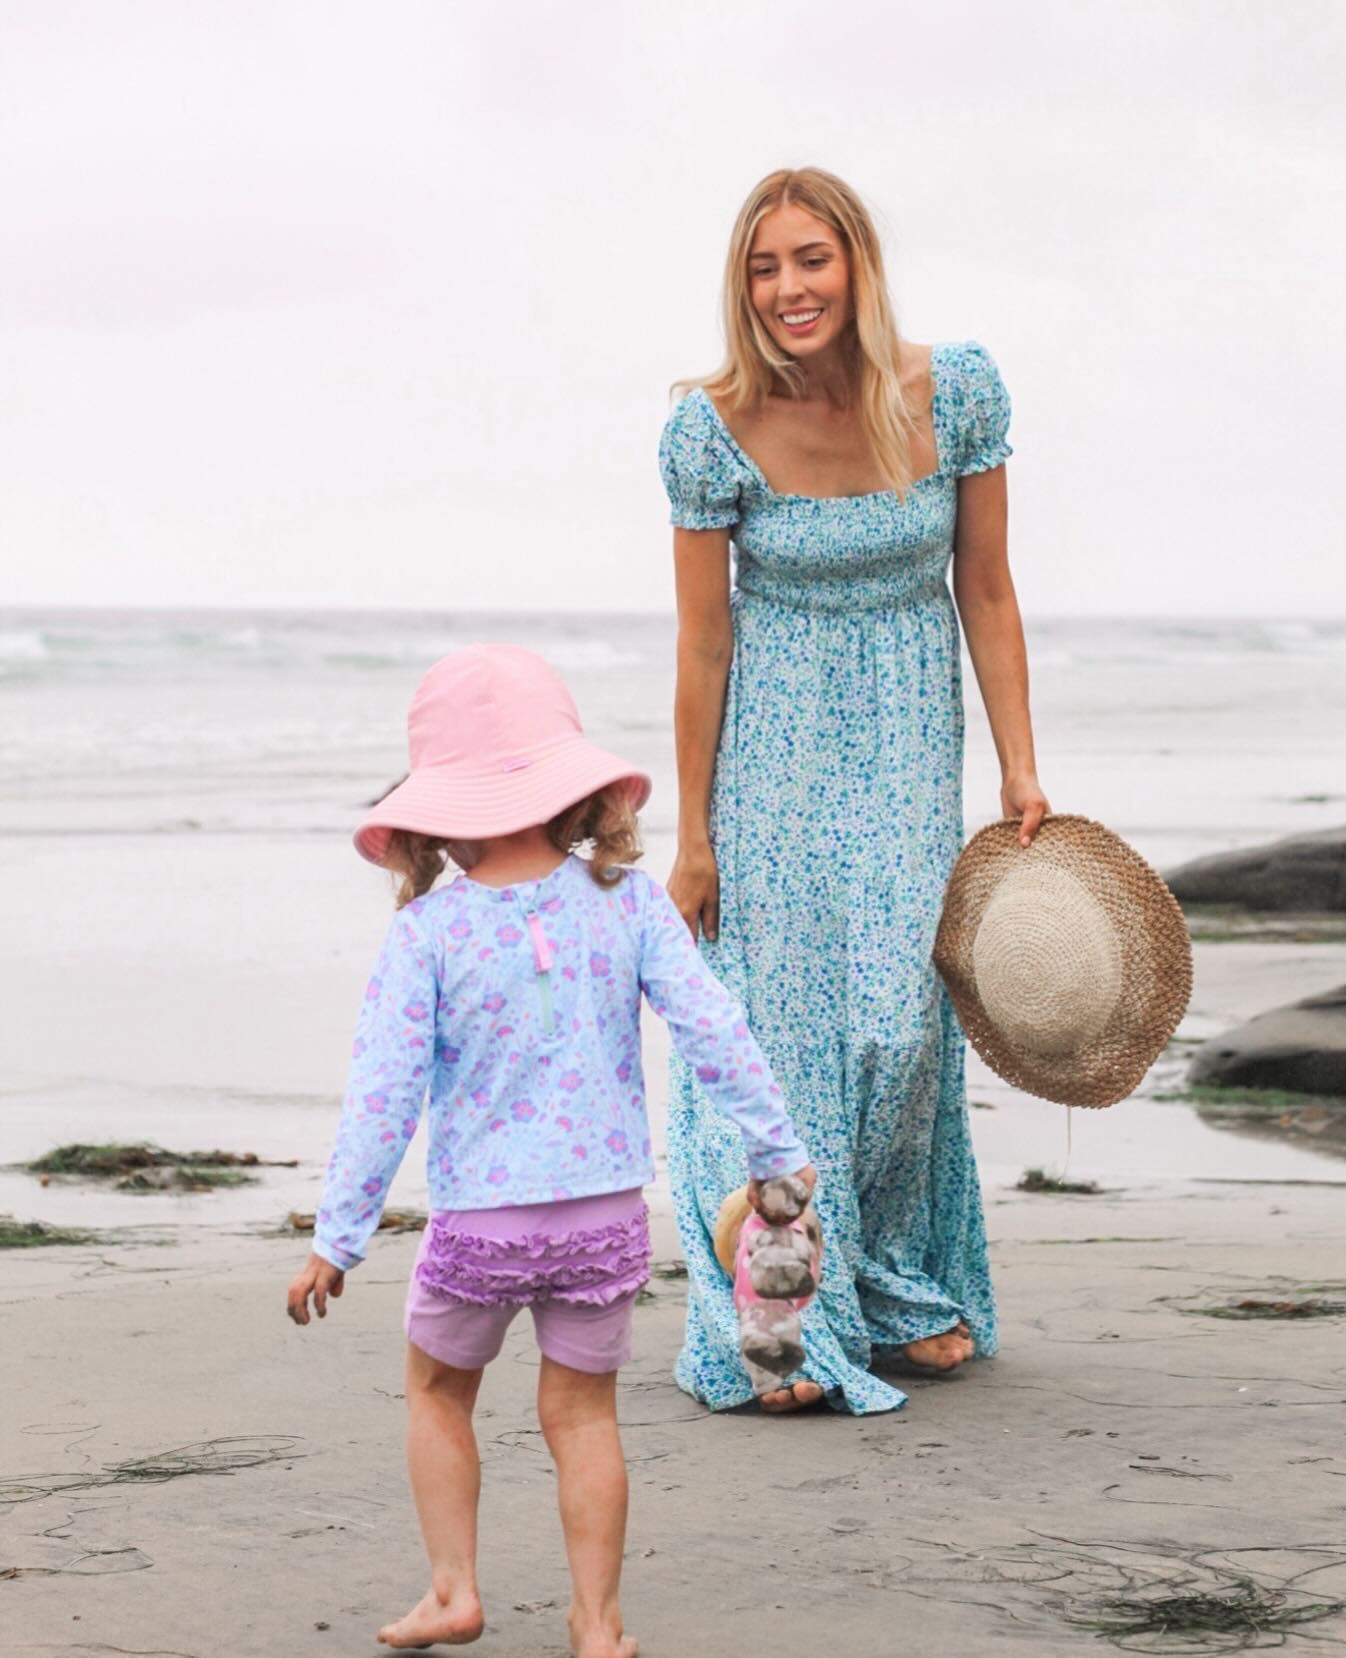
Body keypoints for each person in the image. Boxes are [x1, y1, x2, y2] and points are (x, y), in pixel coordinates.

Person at [285, 643, 814, 1656]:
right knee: (581, 1417)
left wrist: (337, 1239)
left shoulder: (429, 932)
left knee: (438, 1391)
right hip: (602, 1223)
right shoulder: (627, 901)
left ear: (437, 809)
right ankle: (598, 1623)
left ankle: (453, 1589)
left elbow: (383, 1099)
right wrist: (775, 1152)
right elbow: (712, 1027)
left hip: (480, 1230)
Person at [660, 166, 1049, 1417]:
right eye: (763, 267)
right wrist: (693, 834)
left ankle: (879, 1280)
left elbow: (985, 587)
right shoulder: (709, 428)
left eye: (810, 259)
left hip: (903, 736)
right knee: (777, 1042)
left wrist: (1018, 764)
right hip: (768, 753)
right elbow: (702, 644)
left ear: (857, 264)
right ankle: (777, 1322)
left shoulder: (957, 391)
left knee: (897, 1027)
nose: (788, 288)